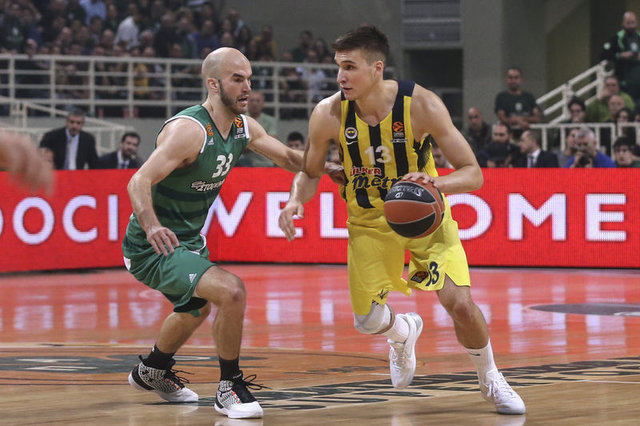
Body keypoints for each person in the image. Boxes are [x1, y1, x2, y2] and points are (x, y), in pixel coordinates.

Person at [278, 26, 525, 415]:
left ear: (377, 68)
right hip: (368, 222)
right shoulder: (328, 114)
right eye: (338, 66)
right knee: (366, 321)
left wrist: (434, 183)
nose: (340, 76)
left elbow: (473, 173)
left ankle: (491, 377)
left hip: (424, 218)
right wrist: (295, 200)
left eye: (350, 67)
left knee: (460, 305)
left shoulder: (421, 105)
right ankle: (402, 331)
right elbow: (310, 172)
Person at [122, 47, 343, 420]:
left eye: (249, 79)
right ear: (213, 84)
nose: (248, 88)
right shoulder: (188, 131)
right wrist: (151, 224)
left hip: (188, 241)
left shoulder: (243, 127)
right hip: (152, 245)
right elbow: (138, 180)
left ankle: (152, 370)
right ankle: (229, 387)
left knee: (195, 309)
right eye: (237, 79)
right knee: (231, 291)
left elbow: (290, 158)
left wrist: (330, 168)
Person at [601, 11, 640, 102]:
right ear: (622, 23)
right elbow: (604, 54)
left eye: (632, 23)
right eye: (628, 23)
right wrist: (620, 55)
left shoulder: (639, 37)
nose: (630, 26)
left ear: (636, 23)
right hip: (623, 82)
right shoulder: (617, 38)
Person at [494, 67, 541, 139]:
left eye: (516, 77)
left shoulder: (529, 96)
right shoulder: (501, 97)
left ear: (521, 79)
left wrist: (521, 119)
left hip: (527, 137)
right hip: (509, 137)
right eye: (510, 77)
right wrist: (517, 121)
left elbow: (537, 118)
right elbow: (502, 118)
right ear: (507, 79)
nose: (513, 80)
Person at [239, 90, 278, 166]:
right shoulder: (240, 119)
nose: (255, 103)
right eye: (252, 100)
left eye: (258, 101)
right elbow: (238, 145)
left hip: (266, 163)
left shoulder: (270, 120)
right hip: (245, 164)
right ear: (247, 102)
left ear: (263, 103)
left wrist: (249, 143)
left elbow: (271, 143)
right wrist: (260, 142)